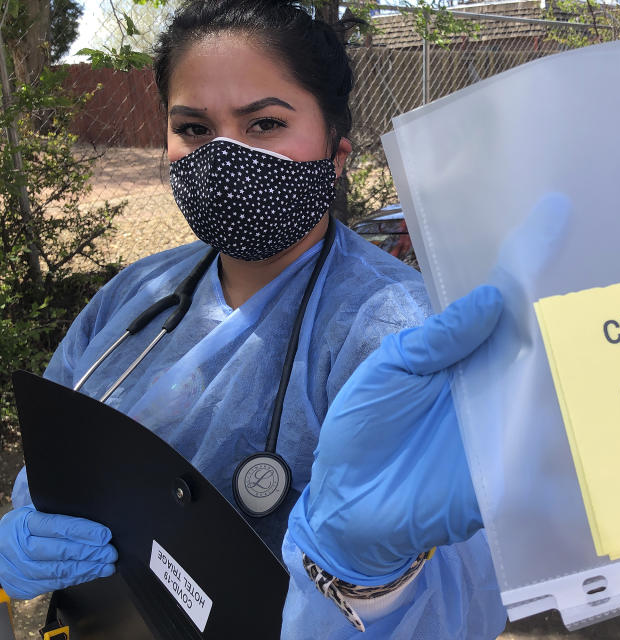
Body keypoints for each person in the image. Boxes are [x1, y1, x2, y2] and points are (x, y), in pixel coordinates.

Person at [0, 0, 509, 636]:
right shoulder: (137, 293)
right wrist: (25, 530)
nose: (224, 156)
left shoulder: (397, 332)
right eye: (192, 128)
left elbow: (464, 599)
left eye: (265, 123)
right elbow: (57, 455)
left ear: (337, 150)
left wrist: (371, 582)